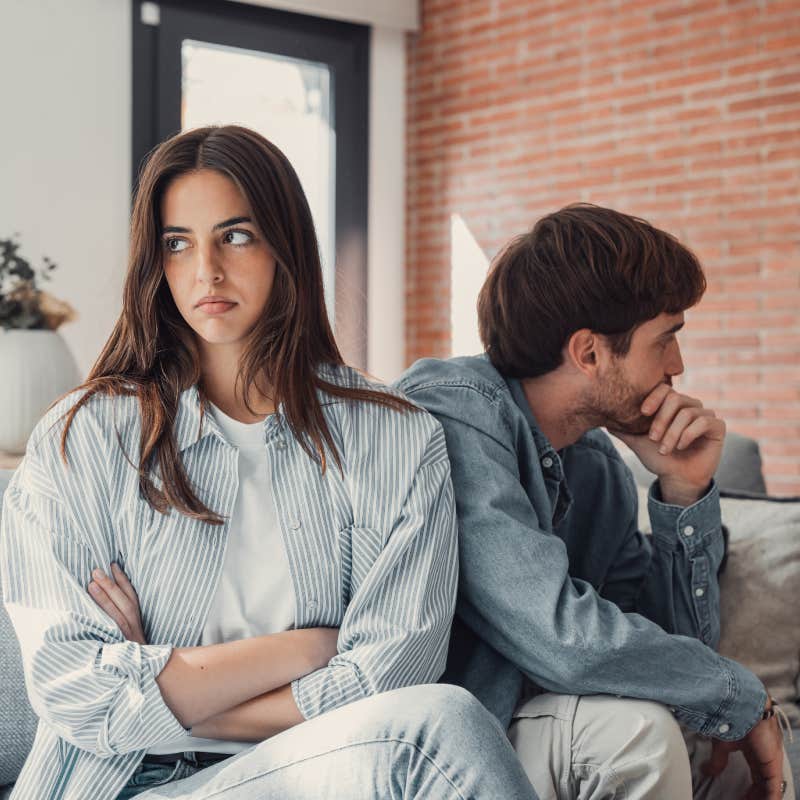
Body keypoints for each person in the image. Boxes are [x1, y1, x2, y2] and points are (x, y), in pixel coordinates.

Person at [0, 125, 538, 800]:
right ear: (153, 261)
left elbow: (390, 679)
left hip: (311, 769)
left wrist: (168, 684)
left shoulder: (394, 438)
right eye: (177, 243)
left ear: (285, 244)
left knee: (439, 722)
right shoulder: (82, 439)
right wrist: (309, 649)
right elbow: (75, 693)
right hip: (124, 786)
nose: (207, 272)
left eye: (236, 235)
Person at [396, 204, 793, 800]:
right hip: (439, 743)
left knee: (732, 759)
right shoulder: (455, 415)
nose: (678, 366)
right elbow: (564, 638)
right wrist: (740, 696)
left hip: (538, 723)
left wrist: (684, 492)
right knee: (642, 731)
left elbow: (664, 648)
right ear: (589, 353)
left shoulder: (595, 463)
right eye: (666, 341)